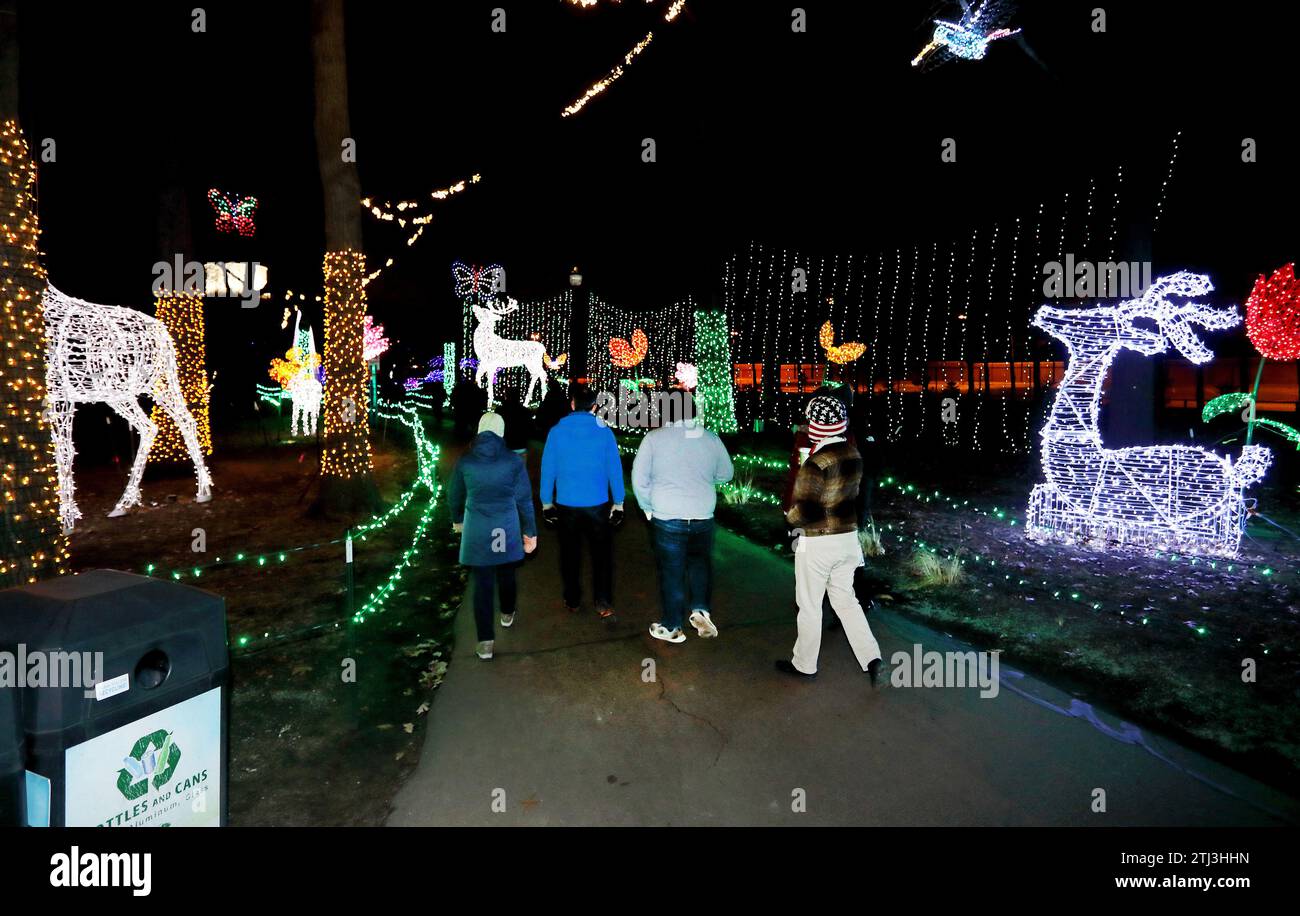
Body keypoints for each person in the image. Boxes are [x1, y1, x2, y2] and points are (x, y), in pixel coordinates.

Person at [777, 395, 883, 684]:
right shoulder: (853, 454)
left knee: (809, 605)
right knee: (846, 601)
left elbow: (805, 511)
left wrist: (789, 516)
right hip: (847, 539)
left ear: (816, 424)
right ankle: (872, 657)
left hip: (818, 542)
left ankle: (804, 665)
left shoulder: (815, 463)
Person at [633, 390, 734, 643]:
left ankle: (672, 626)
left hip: (668, 515)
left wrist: (647, 507)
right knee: (700, 564)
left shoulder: (654, 439)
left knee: (672, 571)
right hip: (703, 515)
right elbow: (727, 473)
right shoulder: (710, 438)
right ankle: (700, 610)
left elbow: (639, 478)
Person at [449, 412, 538, 661]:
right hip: (503, 529)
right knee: (506, 571)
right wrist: (530, 532)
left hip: (478, 528)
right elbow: (524, 500)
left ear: (479, 430)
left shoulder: (466, 461)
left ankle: (485, 641)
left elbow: (454, 494)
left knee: (483, 583)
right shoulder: (513, 461)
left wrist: (458, 520)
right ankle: (507, 612)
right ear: (502, 432)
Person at [539, 385, 625, 618]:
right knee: (602, 554)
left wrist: (546, 502)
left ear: (572, 404)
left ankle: (573, 599)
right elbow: (614, 469)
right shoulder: (604, 432)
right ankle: (603, 601)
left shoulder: (556, 432)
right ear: (595, 407)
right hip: (597, 503)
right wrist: (618, 502)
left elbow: (548, 469)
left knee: (570, 554)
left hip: (567, 504)